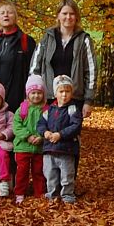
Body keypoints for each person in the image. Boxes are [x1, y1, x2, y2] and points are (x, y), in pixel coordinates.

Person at [30, 0, 96, 120]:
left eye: (72, 14)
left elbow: (91, 72)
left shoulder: (84, 40)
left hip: (74, 99)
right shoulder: (47, 38)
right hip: (49, 99)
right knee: (47, 131)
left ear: (76, 17)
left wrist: (88, 100)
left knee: (70, 131)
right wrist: (34, 93)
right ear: (58, 16)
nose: (68, 17)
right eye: (64, 13)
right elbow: (34, 68)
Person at [39, 74, 83, 204]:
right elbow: (40, 124)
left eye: (67, 91)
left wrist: (61, 134)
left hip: (66, 149)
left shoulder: (73, 109)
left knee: (67, 174)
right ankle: (52, 194)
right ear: (55, 93)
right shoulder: (49, 110)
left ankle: (67, 195)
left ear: (71, 93)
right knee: (50, 174)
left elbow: (76, 126)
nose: (64, 95)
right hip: (50, 149)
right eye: (61, 91)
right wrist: (45, 132)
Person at [11, 74, 48, 204]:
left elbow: (50, 125)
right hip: (22, 147)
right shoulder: (22, 109)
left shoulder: (46, 110)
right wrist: (27, 136)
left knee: (39, 171)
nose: (36, 96)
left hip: (39, 148)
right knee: (22, 171)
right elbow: (16, 126)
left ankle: (40, 192)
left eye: (39, 93)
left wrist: (41, 137)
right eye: (33, 93)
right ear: (28, 93)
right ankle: (19, 192)